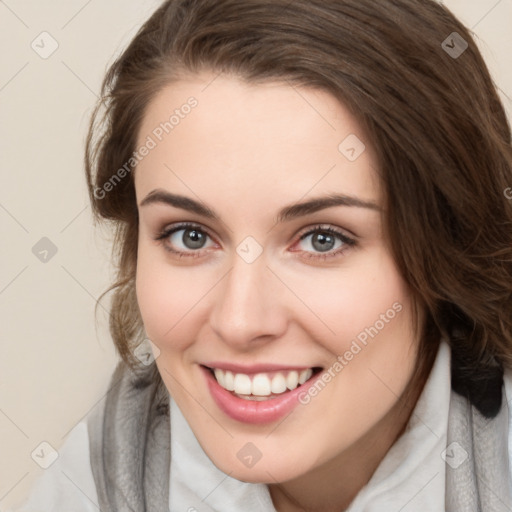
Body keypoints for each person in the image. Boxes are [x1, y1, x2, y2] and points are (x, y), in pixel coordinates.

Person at [14, 0, 512, 510]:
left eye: (323, 239)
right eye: (189, 236)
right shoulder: (86, 484)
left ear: (449, 251)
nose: (239, 320)